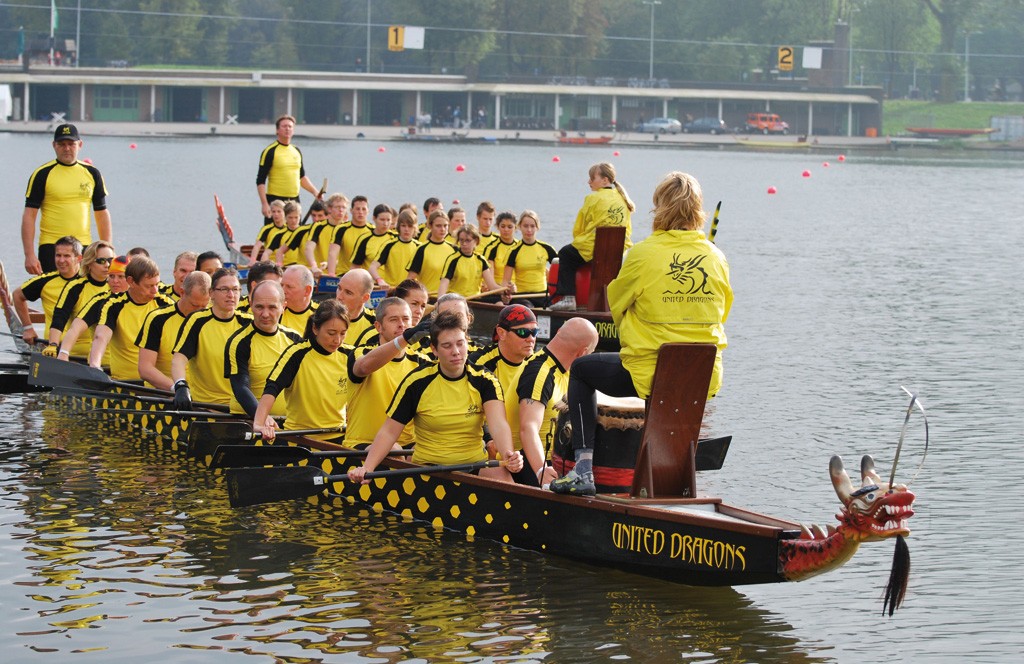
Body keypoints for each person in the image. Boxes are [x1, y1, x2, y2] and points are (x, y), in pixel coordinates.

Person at [550, 171, 732, 495]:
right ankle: (677, 487)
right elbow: (723, 312)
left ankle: (582, 471)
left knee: (580, 371)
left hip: (650, 371)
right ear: (698, 211)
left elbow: (616, 304)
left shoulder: (644, 254)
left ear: (659, 208)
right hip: (703, 376)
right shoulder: (717, 258)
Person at [347, 311, 524, 484]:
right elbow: (389, 431)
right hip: (428, 469)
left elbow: (498, 424)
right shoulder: (417, 381)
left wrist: (509, 454)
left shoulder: (485, 380)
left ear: (467, 343)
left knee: (502, 476)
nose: (456, 352)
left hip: (474, 465)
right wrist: (367, 468)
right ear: (434, 349)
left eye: (460, 344)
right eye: (447, 346)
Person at [506, 317, 598, 486]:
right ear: (583, 353)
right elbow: (528, 428)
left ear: (558, 332)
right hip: (526, 462)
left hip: (556, 456)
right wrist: (541, 471)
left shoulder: (569, 371)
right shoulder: (540, 373)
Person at [253, 299, 352, 441]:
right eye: (331, 333)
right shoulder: (296, 354)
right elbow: (272, 388)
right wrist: (258, 424)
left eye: (343, 333)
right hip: (299, 436)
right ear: (315, 328)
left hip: (338, 436)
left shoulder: (350, 355)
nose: (337, 340)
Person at [22, 124, 111, 275]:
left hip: (84, 247)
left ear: (80, 145)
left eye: (71, 144)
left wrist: (107, 251)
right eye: (62, 144)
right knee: (53, 296)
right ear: (54, 145)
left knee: (84, 296)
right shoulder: (42, 174)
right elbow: (29, 216)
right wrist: (29, 255)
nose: (67, 148)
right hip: (51, 247)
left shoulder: (92, 173)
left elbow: (102, 214)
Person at [345, 297, 431, 448]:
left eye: (406, 319)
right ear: (378, 327)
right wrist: (403, 339)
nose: (401, 325)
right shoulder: (361, 353)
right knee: (393, 448)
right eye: (393, 320)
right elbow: (363, 368)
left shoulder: (421, 362)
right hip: (363, 445)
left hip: (408, 445)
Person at [550, 162, 636, 311]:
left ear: (605, 180)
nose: (589, 182)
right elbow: (628, 229)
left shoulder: (593, 198)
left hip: (594, 248)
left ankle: (569, 298)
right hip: (616, 251)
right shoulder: (624, 200)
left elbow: (579, 227)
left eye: (592, 178)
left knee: (566, 253)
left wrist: (578, 241)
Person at [171, 267, 251, 409]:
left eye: (236, 289)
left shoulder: (249, 323)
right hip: (206, 407)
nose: (231, 294)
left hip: (243, 406)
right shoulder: (197, 321)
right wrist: (180, 384)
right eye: (224, 289)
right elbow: (179, 359)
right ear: (211, 293)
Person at [86, 256, 174, 380]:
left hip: (157, 383)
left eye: (157, 285)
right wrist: (95, 365)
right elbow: (101, 337)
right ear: (131, 281)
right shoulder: (113, 305)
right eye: (149, 286)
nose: (155, 291)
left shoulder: (165, 303)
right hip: (123, 382)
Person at [225, 280, 302, 418]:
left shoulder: (295, 339)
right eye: (259, 307)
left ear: (283, 307)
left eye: (272, 308)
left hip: (287, 422)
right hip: (248, 421)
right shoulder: (239, 342)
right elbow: (240, 387)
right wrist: (262, 418)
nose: (265, 314)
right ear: (251, 305)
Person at [137, 271, 212, 390]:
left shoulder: (212, 318)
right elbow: (145, 369)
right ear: (182, 293)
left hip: (203, 397)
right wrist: (177, 388)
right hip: (167, 393)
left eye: (203, 306)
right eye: (194, 305)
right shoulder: (158, 319)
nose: (198, 312)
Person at [53, 252, 128, 361]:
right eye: (111, 276)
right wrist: (63, 352)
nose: (115, 281)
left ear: (132, 279)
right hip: (101, 367)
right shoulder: (99, 301)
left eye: (121, 276)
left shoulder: (150, 301)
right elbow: (75, 328)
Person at [45, 240, 114, 356]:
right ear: (89, 262)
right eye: (101, 261)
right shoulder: (76, 286)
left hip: (109, 354)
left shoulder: (118, 286)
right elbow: (60, 318)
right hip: (77, 353)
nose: (107, 265)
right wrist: (53, 345)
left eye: (110, 261)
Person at [14, 235, 82, 347]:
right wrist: (28, 328)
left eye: (66, 256)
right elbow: (17, 295)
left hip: (85, 349)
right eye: (58, 255)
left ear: (79, 258)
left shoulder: (89, 280)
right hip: (54, 347)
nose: (61, 260)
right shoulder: (45, 281)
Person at [256, 115, 320, 225]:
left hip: (294, 200)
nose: (287, 129)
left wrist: (315, 192)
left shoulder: (296, 151)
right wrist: (264, 204)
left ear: (293, 130)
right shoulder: (270, 151)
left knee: (295, 236)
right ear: (277, 130)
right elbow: (260, 180)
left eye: (290, 127)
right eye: (284, 126)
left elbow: (302, 177)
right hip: (275, 200)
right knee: (273, 235)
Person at [469, 304, 538, 392]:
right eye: (523, 332)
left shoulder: (537, 364)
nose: (531, 339)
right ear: (501, 333)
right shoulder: (478, 363)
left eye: (535, 332)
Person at [437, 225, 506, 299]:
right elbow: (444, 283)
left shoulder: (481, 260)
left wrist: (506, 290)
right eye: (461, 240)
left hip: (476, 299)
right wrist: (440, 301)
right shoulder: (453, 259)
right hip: (457, 300)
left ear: (476, 241)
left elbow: (492, 286)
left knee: (498, 301)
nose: (464, 243)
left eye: (467, 240)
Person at [504, 210, 557, 301]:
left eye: (532, 226)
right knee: (528, 308)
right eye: (525, 226)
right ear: (519, 226)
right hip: (522, 297)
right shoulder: (513, 251)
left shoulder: (547, 248)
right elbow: (505, 281)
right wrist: (509, 289)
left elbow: (561, 270)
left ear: (537, 227)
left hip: (543, 295)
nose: (529, 230)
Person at [406, 210, 456, 293]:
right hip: (430, 298)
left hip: (451, 299)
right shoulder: (421, 250)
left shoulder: (455, 249)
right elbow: (409, 280)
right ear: (430, 226)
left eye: (445, 225)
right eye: (438, 226)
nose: (443, 229)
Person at [370, 209, 421, 289]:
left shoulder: (419, 247)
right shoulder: (389, 245)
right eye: (403, 226)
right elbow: (372, 267)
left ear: (415, 228)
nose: (406, 229)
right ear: (398, 227)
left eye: (410, 226)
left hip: (411, 290)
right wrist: (380, 280)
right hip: (391, 290)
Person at [326, 195, 373, 276]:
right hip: (345, 274)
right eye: (357, 209)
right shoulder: (341, 229)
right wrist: (331, 274)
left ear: (368, 211)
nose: (361, 212)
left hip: (366, 277)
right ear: (351, 211)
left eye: (364, 209)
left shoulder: (373, 230)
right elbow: (332, 253)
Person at [305, 192, 349, 273]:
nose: (341, 210)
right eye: (338, 207)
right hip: (321, 273)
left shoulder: (348, 228)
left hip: (342, 274)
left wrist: (331, 263)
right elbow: (309, 249)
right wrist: (314, 266)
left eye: (344, 207)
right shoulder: (318, 226)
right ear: (329, 209)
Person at [335, 268, 376, 346]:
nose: (339, 296)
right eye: (339, 288)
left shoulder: (375, 324)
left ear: (365, 298)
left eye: (348, 293)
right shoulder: (322, 315)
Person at [351, 203, 395, 271]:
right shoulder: (364, 239)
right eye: (382, 220)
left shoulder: (395, 238)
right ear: (374, 218)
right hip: (370, 280)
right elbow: (355, 266)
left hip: (391, 281)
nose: (385, 223)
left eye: (388, 220)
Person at [485, 211, 519, 291]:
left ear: (515, 227)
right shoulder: (492, 248)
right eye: (503, 226)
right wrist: (502, 290)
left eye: (510, 227)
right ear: (497, 227)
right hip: (497, 290)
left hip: (519, 290)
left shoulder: (520, 247)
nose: (506, 230)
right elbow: (490, 277)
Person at [280, 265, 318, 332]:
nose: (283, 291)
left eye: (289, 287)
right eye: (281, 285)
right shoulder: (274, 310)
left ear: (307, 291)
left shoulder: (322, 314)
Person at [271, 201, 308, 266]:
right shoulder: (279, 235)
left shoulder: (305, 232)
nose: (293, 220)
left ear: (300, 216)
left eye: (296, 217)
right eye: (290, 217)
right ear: (285, 217)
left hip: (302, 267)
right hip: (286, 267)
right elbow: (267, 253)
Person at [250, 200, 287, 264]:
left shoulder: (289, 228)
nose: (276, 214)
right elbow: (257, 246)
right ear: (271, 213)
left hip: (287, 263)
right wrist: (252, 260)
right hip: (270, 263)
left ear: (285, 213)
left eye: (279, 211)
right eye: (273, 212)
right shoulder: (266, 229)